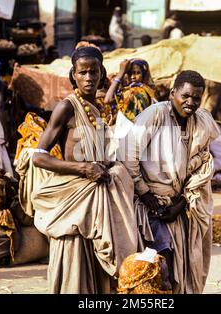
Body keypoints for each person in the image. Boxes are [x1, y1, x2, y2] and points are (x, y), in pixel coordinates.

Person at [30, 46, 138, 293]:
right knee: (75, 268)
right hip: (75, 201)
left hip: (99, 199)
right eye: (83, 72)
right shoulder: (66, 107)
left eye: (94, 72)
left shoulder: (99, 108)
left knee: (100, 272)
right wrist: (83, 168)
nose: (89, 77)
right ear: (74, 75)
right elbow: (39, 157)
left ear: (102, 73)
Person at [123, 70, 221, 293]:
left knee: (182, 269)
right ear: (172, 93)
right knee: (159, 266)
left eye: (196, 98)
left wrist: (182, 203)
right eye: (185, 96)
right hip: (150, 205)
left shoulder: (201, 121)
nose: (190, 102)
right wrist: (147, 197)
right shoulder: (155, 115)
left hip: (178, 207)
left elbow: (203, 164)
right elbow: (128, 153)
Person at [104, 58, 156, 122]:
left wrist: (121, 72)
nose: (132, 77)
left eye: (137, 73)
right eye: (129, 74)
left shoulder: (135, 92)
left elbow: (108, 100)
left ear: (144, 75)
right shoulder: (148, 90)